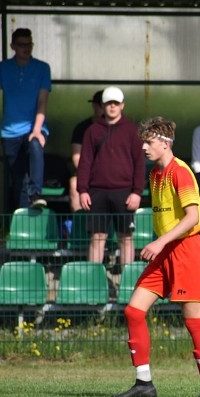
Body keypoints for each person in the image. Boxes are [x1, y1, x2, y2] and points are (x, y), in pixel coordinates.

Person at [113, 116, 200, 397]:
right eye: (143, 142)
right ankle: (144, 383)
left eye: (149, 142)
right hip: (165, 252)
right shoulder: (155, 173)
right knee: (133, 311)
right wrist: (161, 244)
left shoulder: (180, 171)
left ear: (165, 143)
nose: (144, 148)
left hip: (185, 251)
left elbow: (194, 217)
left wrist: (160, 242)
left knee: (193, 320)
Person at [0, 28, 52, 210]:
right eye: (21, 44)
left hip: (34, 126)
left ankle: (37, 193)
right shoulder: (3, 68)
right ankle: (22, 223)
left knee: (36, 145)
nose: (26, 48)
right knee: (19, 178)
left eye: (29, 44)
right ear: (13, 46)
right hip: (10, 132)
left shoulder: (42, 68)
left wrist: (37, 129)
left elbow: (43, 101)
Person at [77, 87, 145, 266]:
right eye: (108, 103)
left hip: (124, 192)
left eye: (116, 103)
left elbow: (140, 163)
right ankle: (93, 283)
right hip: (97, 192)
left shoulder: (132, 130)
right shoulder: (92, 131)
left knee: (126, 237)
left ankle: (127, 284)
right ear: (102, 106)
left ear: (122, 105)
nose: (112, 107)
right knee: (97, 237)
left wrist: (137, 192)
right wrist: (83, 190)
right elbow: (85, 162)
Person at [68, 90, 105, 212]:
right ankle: (79, 226)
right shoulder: (82, 128)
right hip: (87, 174)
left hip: (112, 175)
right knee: (74, 184)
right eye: (103, 106)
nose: (108, 110)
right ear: (94, 106)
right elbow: (76, 158)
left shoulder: (121, 129)